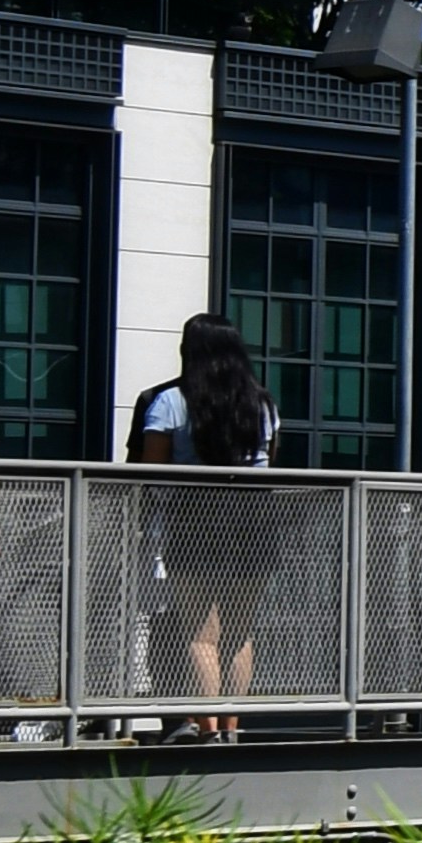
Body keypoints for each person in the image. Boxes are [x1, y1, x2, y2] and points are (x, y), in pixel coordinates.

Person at [127, 312, 271, 733]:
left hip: (195, 520)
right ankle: (231, 728)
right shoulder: (261, 403)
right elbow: (268, 463)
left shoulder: (171, 401)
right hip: (255, 521)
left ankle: (208, 731)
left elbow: (150, 473)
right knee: (240, 634)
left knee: (201, 634)